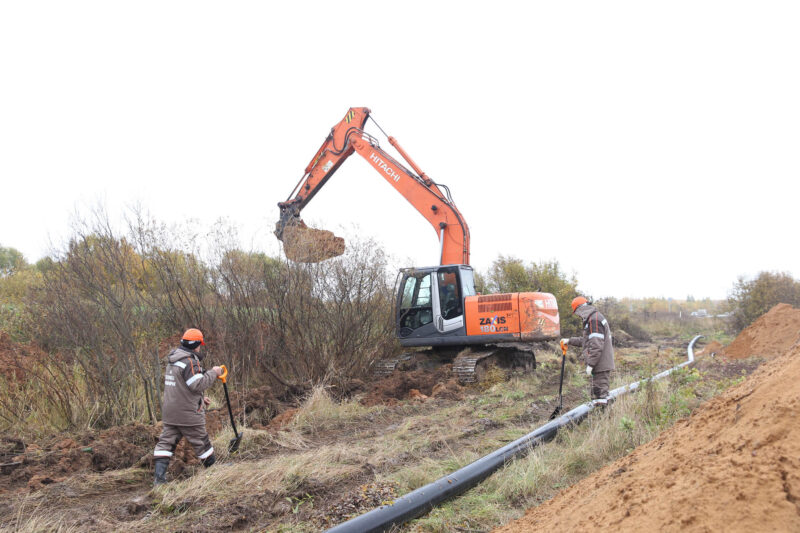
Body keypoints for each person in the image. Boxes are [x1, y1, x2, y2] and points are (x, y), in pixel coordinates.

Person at [153, 328, 222, 485]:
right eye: (200, 345)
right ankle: (215, 473)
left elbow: (180, 387)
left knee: (166, 442)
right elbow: (198, 384)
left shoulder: (173, 360)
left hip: (171, 413)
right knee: (201, 442)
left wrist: (200, 398)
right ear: (196, 345)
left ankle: (159, 479)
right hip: (188, 414)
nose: (200, 348)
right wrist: (214, 372)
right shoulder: (190, 362)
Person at [561, 297, 615, 405]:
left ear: (580, 309)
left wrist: (590, 364)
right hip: (601, 364)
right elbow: (587, 341)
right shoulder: (594, 317)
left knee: (599, 396)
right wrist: (569, 341)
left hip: (600, 365)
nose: (578, 316)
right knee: (602, 393)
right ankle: (605, 416)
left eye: (577, 313)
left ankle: (602, 418)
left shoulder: (594, 320)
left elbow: (596, 345)